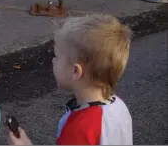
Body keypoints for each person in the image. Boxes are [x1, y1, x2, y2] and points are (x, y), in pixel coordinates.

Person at [8, 14, 133, 145]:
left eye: (57, 56)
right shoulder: (118, 106)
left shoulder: (79, 130)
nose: (53, 61)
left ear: (75, 71)